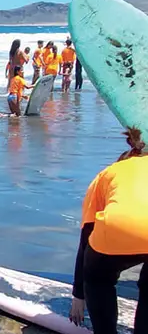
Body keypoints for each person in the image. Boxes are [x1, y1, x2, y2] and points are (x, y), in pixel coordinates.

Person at [69, 127, 146, 334]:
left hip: (118, 228)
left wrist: (79, 293)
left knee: (99, 279)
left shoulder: (107, 174)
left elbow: (86, 238)